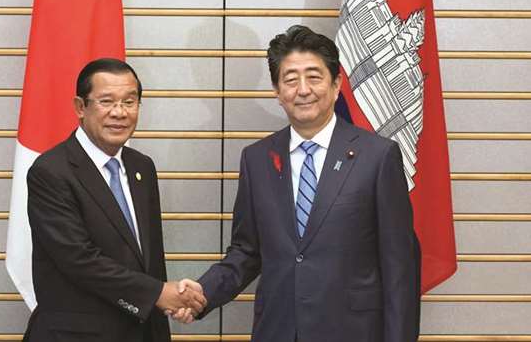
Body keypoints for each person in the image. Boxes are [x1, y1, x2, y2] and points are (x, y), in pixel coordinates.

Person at [173, 25, 421, 342]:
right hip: (277, 331)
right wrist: (204, 291)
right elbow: (246, 251)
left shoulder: (378, 156)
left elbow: (400, 266)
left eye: (314, 77)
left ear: (336, 85)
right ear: (278, 92)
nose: (303, 89)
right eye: (290, 80)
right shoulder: (257, 159)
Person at [22, 58, 206, 342]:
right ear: (80, 108)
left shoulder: (142, 167)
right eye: (106, 101)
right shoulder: (51, 171)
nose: (119, 112)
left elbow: (151, 261)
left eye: (130, 102)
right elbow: (79, 260)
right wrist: (158, 294)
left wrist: (169, 303)